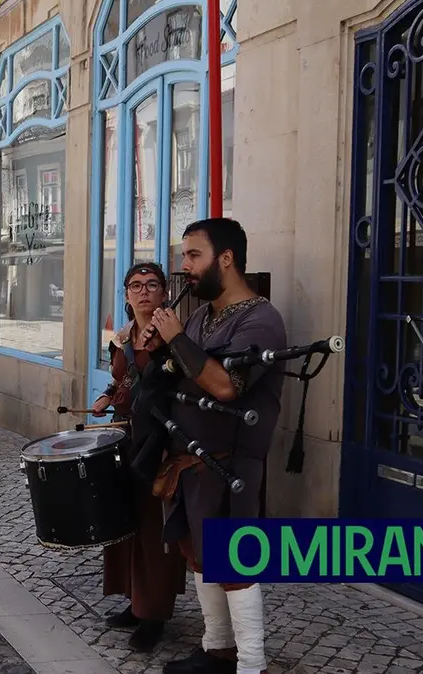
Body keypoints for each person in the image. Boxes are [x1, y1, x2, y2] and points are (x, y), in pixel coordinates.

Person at [150, 218, 287, 674]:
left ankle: (251, 664)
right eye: (184, 255)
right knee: (198, 554)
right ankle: (217, 649)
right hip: (189, 461)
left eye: (194, 255)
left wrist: (176, 339)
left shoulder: (261, 319)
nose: (184, 265)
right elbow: (179, 370)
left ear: (225, 259)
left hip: (231, 464)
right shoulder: (200, 314)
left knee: (233, 563)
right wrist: (158, 348)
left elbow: (227, 385)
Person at [90, 262, 188, 653]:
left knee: (152, 529)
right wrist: (106, 398)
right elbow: (121, 380)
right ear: (127, 295)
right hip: (123, 438)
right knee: (124, 522)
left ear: (164, 292)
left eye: (152, 284)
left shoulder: (174, 337)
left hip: (157, 442)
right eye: (136, 285)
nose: (144, 291)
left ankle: (155, 615)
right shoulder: (123, 337)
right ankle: (135, 600)